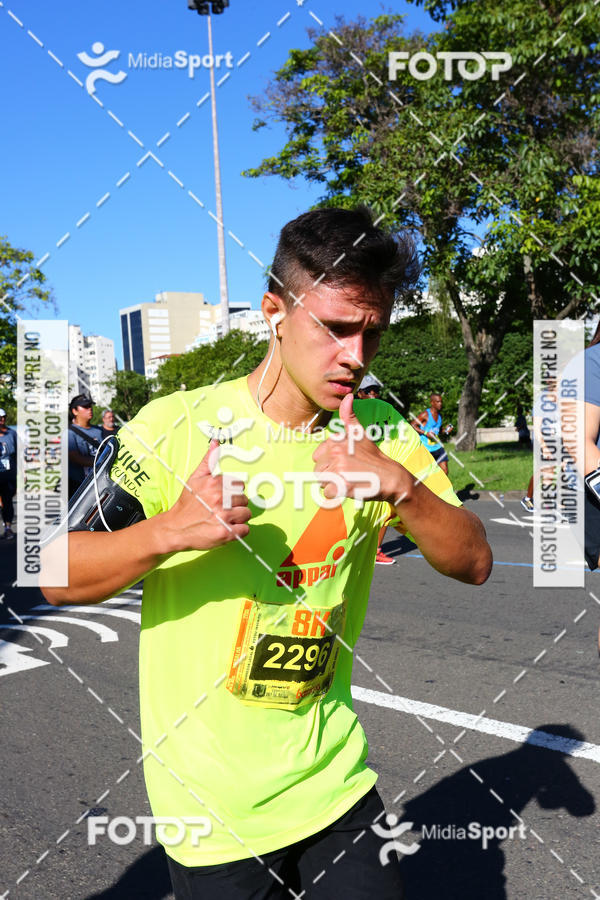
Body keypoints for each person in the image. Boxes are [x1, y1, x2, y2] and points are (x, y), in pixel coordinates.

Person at [42, 207, 492, 900]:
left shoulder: (380, 431)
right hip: (212, 809)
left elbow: (475, 561)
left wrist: (402, 487)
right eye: (335, 328)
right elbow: (54, 574)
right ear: (274, 313)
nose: (356, 355)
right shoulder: (175, 426)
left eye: (372, 332)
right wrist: (172, 530)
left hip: (334, 781)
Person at [357, 377, 395, 565]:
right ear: (359, 394)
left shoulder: (383, 412)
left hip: (379, 467)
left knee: (386, 510)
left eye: (375, 391)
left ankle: (374, 550)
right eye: (368, 391)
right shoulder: (353, 412)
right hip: (359, 468)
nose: (373, 394)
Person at [68, 394, 102, 498]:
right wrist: (101, 462)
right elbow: (75, 457)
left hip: (99, 483)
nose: (90, 409)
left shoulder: (99, 430)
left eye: (90, 406)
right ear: (75, 411)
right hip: (78, 487)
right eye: (85, 407)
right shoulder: (69, 433)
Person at [411, 393, 452, 475]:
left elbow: (438, 431)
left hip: (438, 447)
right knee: (427, 474)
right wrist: (426, 433)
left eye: (441, 401)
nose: (440, 404)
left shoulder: (439, 416)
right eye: (438, 402)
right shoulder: (425, 414)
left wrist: (446, 431)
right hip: (426, 449)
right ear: (432, 403)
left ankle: (439, 484)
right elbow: (412, 425)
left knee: (445, 471)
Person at [0, 408, 17, 540]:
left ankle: (8, 528)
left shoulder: (12, 433)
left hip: (8, 474)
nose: (2, 419)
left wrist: (22, 471)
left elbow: (18, 453)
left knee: (7, 501)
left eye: (3, 417)